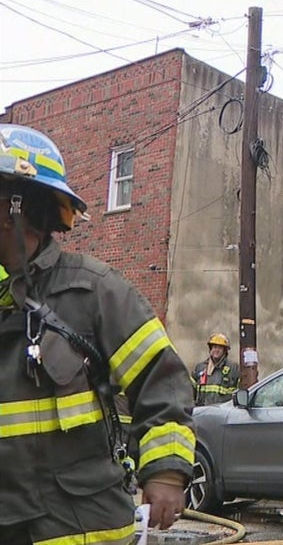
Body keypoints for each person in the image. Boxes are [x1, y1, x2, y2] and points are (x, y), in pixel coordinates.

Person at [0, 124, 195, 544]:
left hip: (77, 525)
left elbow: (162, 380)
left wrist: (166, 471)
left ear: (18, 208)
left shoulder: (93, 291)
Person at [193, 332, 240, 405]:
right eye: (214, 347)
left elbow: (240, 391)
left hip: (223, 410)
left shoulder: (233, 368)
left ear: (224, 351)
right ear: (210, 349)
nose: (217, 350)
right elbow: (191, 391)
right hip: (202, 410)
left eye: (220, 348)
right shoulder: (200, 368)